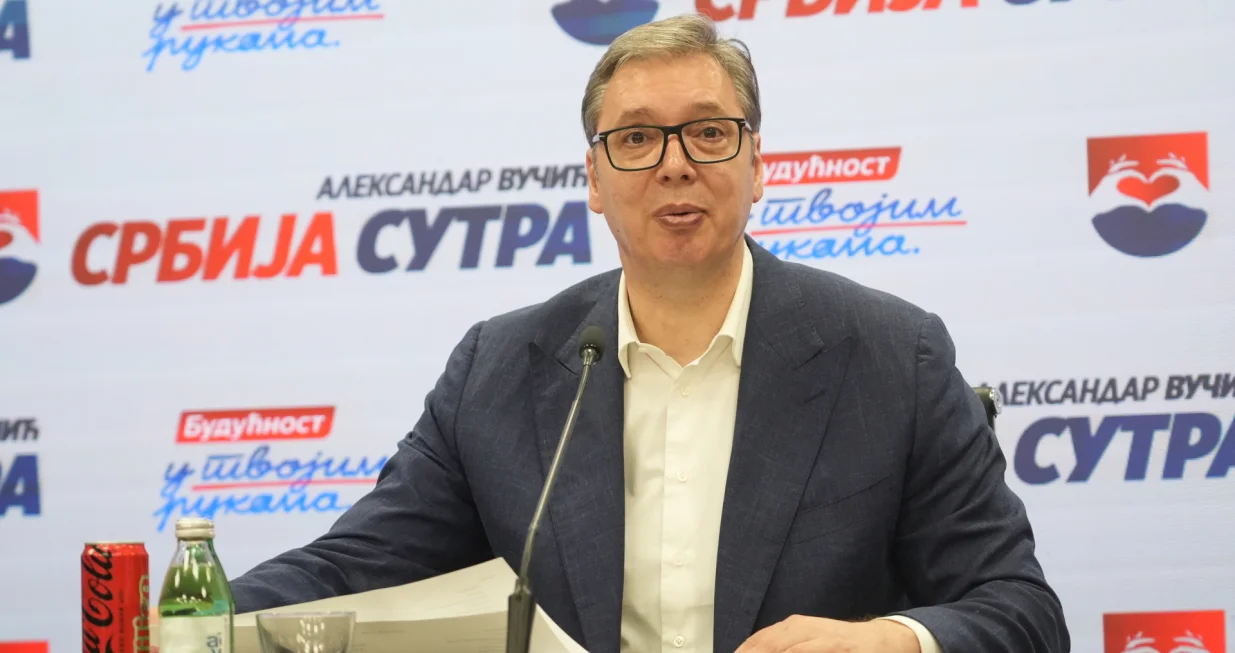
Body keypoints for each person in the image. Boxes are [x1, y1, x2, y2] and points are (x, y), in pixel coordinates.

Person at [229, 13, 1069, 653]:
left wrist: (886, 639)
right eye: (635, 137)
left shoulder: (893, 357)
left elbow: (1019, 609)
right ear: (593, 179)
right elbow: (355, 566)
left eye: (707, 131)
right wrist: (190, 617)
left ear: (756, 163)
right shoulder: (499, 370)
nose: (674, 163)